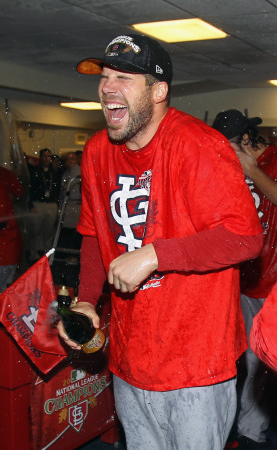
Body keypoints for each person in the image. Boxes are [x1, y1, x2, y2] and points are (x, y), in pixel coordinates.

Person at [57, 34, 263, 450]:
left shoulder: (198, 145)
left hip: (195, 363)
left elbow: (245, 239)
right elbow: (96, 235)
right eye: (106, 76)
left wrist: (154, 255)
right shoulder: (97, 151)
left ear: (159, 91)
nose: (108, 87)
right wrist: (85, 299)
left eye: (125, 78)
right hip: (130, 358)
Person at [213, 109, 277, 449]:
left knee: (260, 358)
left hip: (270, 280)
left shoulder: (271, 160)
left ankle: (252, 432)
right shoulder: (221, 167)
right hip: (237, 277)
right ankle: (239, 428)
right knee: (237, 357)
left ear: (249, 141)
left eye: (232, 145)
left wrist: (250, 167)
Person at [28, 148, 61, 263]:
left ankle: (47, 255)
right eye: (45, 156)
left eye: (49, 157)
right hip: (38, 204)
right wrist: (30, 204)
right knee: (35, 231)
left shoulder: (55, 172)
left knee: (48, 231)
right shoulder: (34, 171)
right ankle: (33, 254)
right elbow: (30, 189)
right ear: (40, 157)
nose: (47, 159)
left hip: (51, 204)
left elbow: (58, 190)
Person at [57, 151, 82, 250]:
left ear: (76, 160)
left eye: (72, 159)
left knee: (75, 231)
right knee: (67, 231)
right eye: (68, 159)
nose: (70, 161)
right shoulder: (65, 173)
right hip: (67, 204)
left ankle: (73, 253)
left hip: (76, 204)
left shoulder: (80, 171)